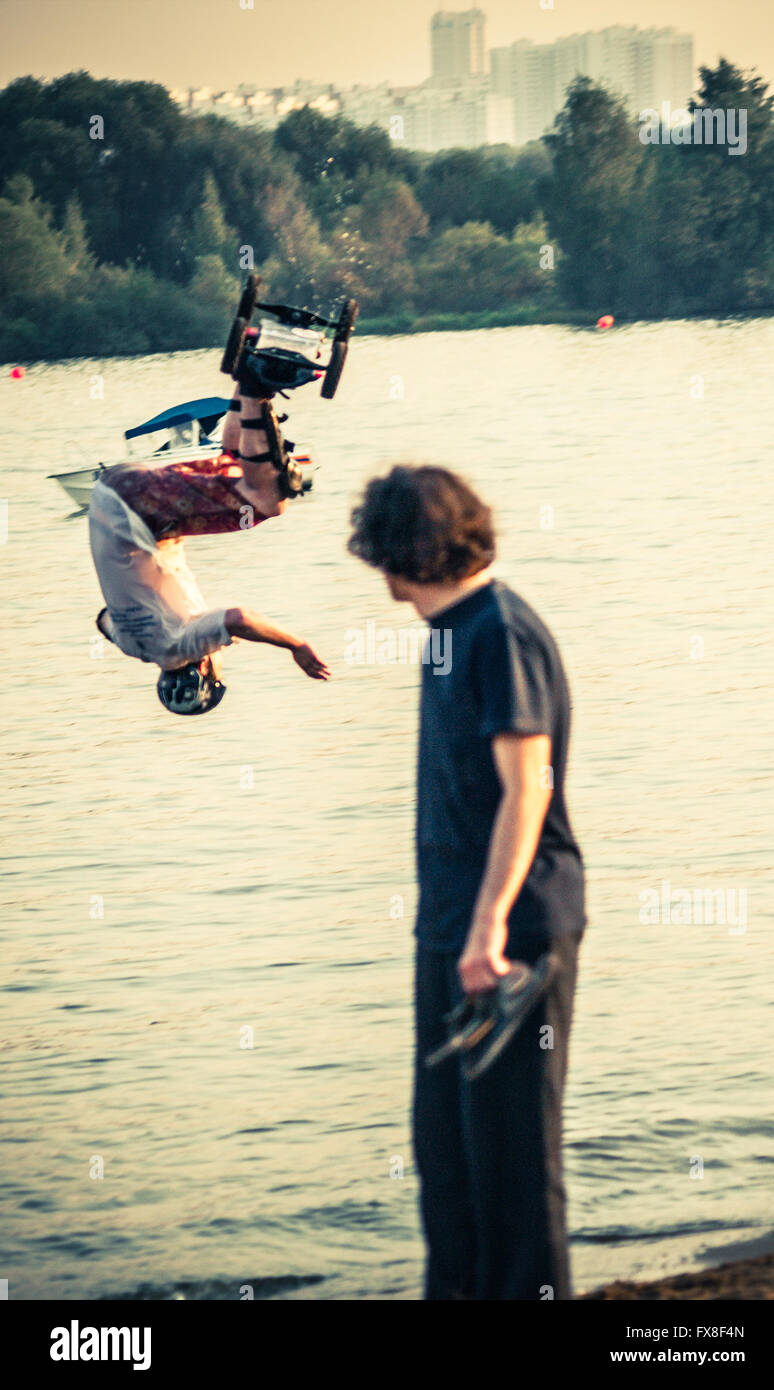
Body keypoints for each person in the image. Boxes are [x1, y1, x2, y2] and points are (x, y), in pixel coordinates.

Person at [348, 465, 587, 1300]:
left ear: (395, 552)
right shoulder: (448, 630)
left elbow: (530, 789)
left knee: (513, 1157)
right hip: (450, 927)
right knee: (445, 1153)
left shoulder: (500, 631)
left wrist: (486, 931)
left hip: (512, 935)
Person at [89, 386, 329, 715]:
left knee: (269, 501)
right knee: (237, 471)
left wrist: (295, 645)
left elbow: (238, 619)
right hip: (120, 494)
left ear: (204, 670)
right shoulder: (136, 647)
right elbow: (103, 622)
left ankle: (259, 380)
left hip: (137, 506)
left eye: (218, 667)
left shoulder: (181, 649)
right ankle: (248, 382)